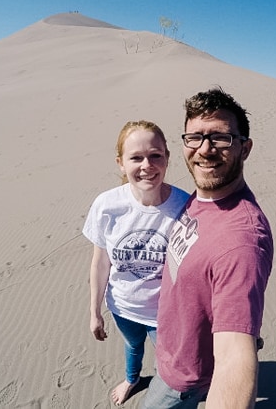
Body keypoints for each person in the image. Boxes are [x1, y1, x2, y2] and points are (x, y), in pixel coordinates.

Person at [142, 88, 274, 408]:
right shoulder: (203, 196)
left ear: (245, 148)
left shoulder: (241, 241)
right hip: (174, 346)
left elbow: (233, 358)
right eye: (195, 137)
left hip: (182, 378)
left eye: (220, 138)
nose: (205, 149)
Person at [84, 120, 189, 406]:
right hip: (123, 306)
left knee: (170, 365)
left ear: (167, 157)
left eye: (155, 155)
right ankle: (132, 378)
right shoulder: (107, 206)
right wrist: (95, 312)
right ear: (121, 163)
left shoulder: (185, 206)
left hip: (167, 314)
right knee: (132, 346)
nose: (147, 165)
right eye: (136, 157)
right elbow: (100, 262)